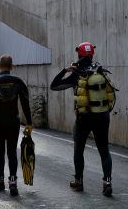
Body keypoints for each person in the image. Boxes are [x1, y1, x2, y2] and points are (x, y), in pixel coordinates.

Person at [50, 42, 116, 197]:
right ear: (92, 55)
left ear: (78, 55)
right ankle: (107, 182)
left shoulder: (77, 73)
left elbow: (54, 86)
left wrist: (65, 70)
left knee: (79, 149)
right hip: (102, 116)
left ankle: (78, 181)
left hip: (83, 118)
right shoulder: (100, 71)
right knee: (104, 150)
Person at [0, 54, 33, 196]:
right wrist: (29, 123)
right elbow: (25, 104)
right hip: (14, 121)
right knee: (12, 152)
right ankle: (13, 181)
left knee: (0, 152)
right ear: (12, 66)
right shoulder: (19, 82)